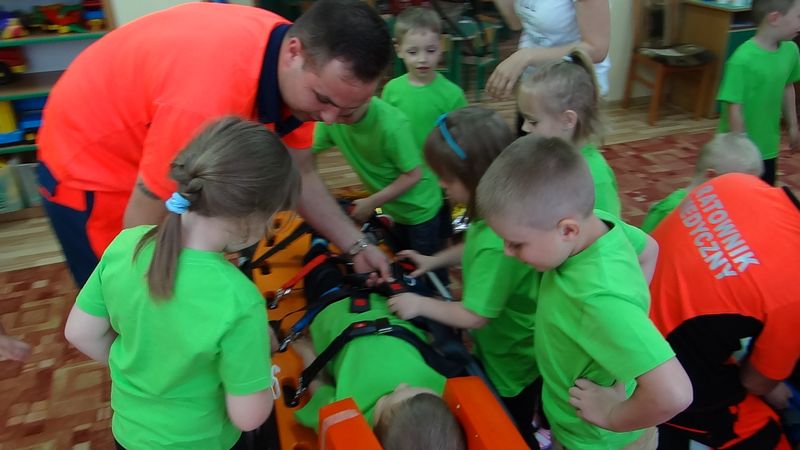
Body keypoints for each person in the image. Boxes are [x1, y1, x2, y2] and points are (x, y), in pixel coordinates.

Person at [37, 0, 394, 287]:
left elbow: (301, 174)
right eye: (324, 100)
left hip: (149, 142)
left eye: (345, 109)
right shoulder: (205, 100)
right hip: (87, 162)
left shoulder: (299, 64)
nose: (329, 119)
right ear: (293, 53)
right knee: (121, 298)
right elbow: (141, 225)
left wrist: (356, 245)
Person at [64, 117, 299, 449]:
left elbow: (79, 333)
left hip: (129, 437)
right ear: (255, 217)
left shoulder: (125, 245)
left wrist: (142, 371)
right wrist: (261, 377)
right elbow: (247, 417)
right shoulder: (239, 299)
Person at [476, 134, 693, 449]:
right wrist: (632, 311)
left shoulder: (598, 300)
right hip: (572, 420)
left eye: (516, 243)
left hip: (596, 441)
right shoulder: (597, 224)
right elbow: (649, 249)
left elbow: (674, 394)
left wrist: (612, 415)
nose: (507, 252)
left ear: (567, 230)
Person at [648, 173, 800, 450]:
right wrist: (775, 387)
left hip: (620, 320)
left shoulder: (734, 182)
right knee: (770, 437)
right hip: (655, 377)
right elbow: (756, 383)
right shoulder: (794, 287)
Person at [292, 237, 465, 450]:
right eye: (411, 387)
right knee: (370, 271)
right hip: (387, 307)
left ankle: (318, 243)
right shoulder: (437, 392)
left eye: (391, 396)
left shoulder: (348, 416)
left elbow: (317, 385)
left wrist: (305, 351)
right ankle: (350, 242)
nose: (401, 385)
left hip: (334, 311)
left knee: (321, 273)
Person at [312, 96, 446, 259]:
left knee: (427, 268)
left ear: (367, 97)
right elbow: (308, 151)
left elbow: (413, 175)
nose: (334, 120)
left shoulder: (393, 125)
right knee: (401, 262)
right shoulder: (334, 114)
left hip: (418, 211)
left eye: (347, 115)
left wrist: (371, 203)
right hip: (389, 208)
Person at [518, 49, 621, 216]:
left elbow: (609, 229)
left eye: (533, 121)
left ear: (568, 120)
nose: (524, 127)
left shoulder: (595, 179)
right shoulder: (550, 154)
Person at [717, 0, 800, 186]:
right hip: (736, 150)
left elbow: (787, 87)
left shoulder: (791, 51)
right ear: (775, 18)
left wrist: (793, 126)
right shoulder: (741, 60)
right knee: (735, 195)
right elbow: (734, 107)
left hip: (768, 146)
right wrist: (742, 149)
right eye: (798, 17)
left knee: (763, 193)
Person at [381, 6, 468, 152]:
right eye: (413, 52)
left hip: (440, 165)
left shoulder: (453, 95)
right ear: (399, 50)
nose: (423, 59)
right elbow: (387, 131)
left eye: (430, 50)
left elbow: (463, 137)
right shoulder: (391, 90)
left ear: (441, 47)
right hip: (404, 164)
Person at [641, 133, 764, 233]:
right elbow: (642, 251)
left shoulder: (721, 207)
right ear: (711, 177)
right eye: (742, 187)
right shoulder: (670, 211)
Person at [487, 0, 610, 100]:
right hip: (535, 82)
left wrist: (526, 57)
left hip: (573, 88)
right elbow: (516, 24)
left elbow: (596, 50)